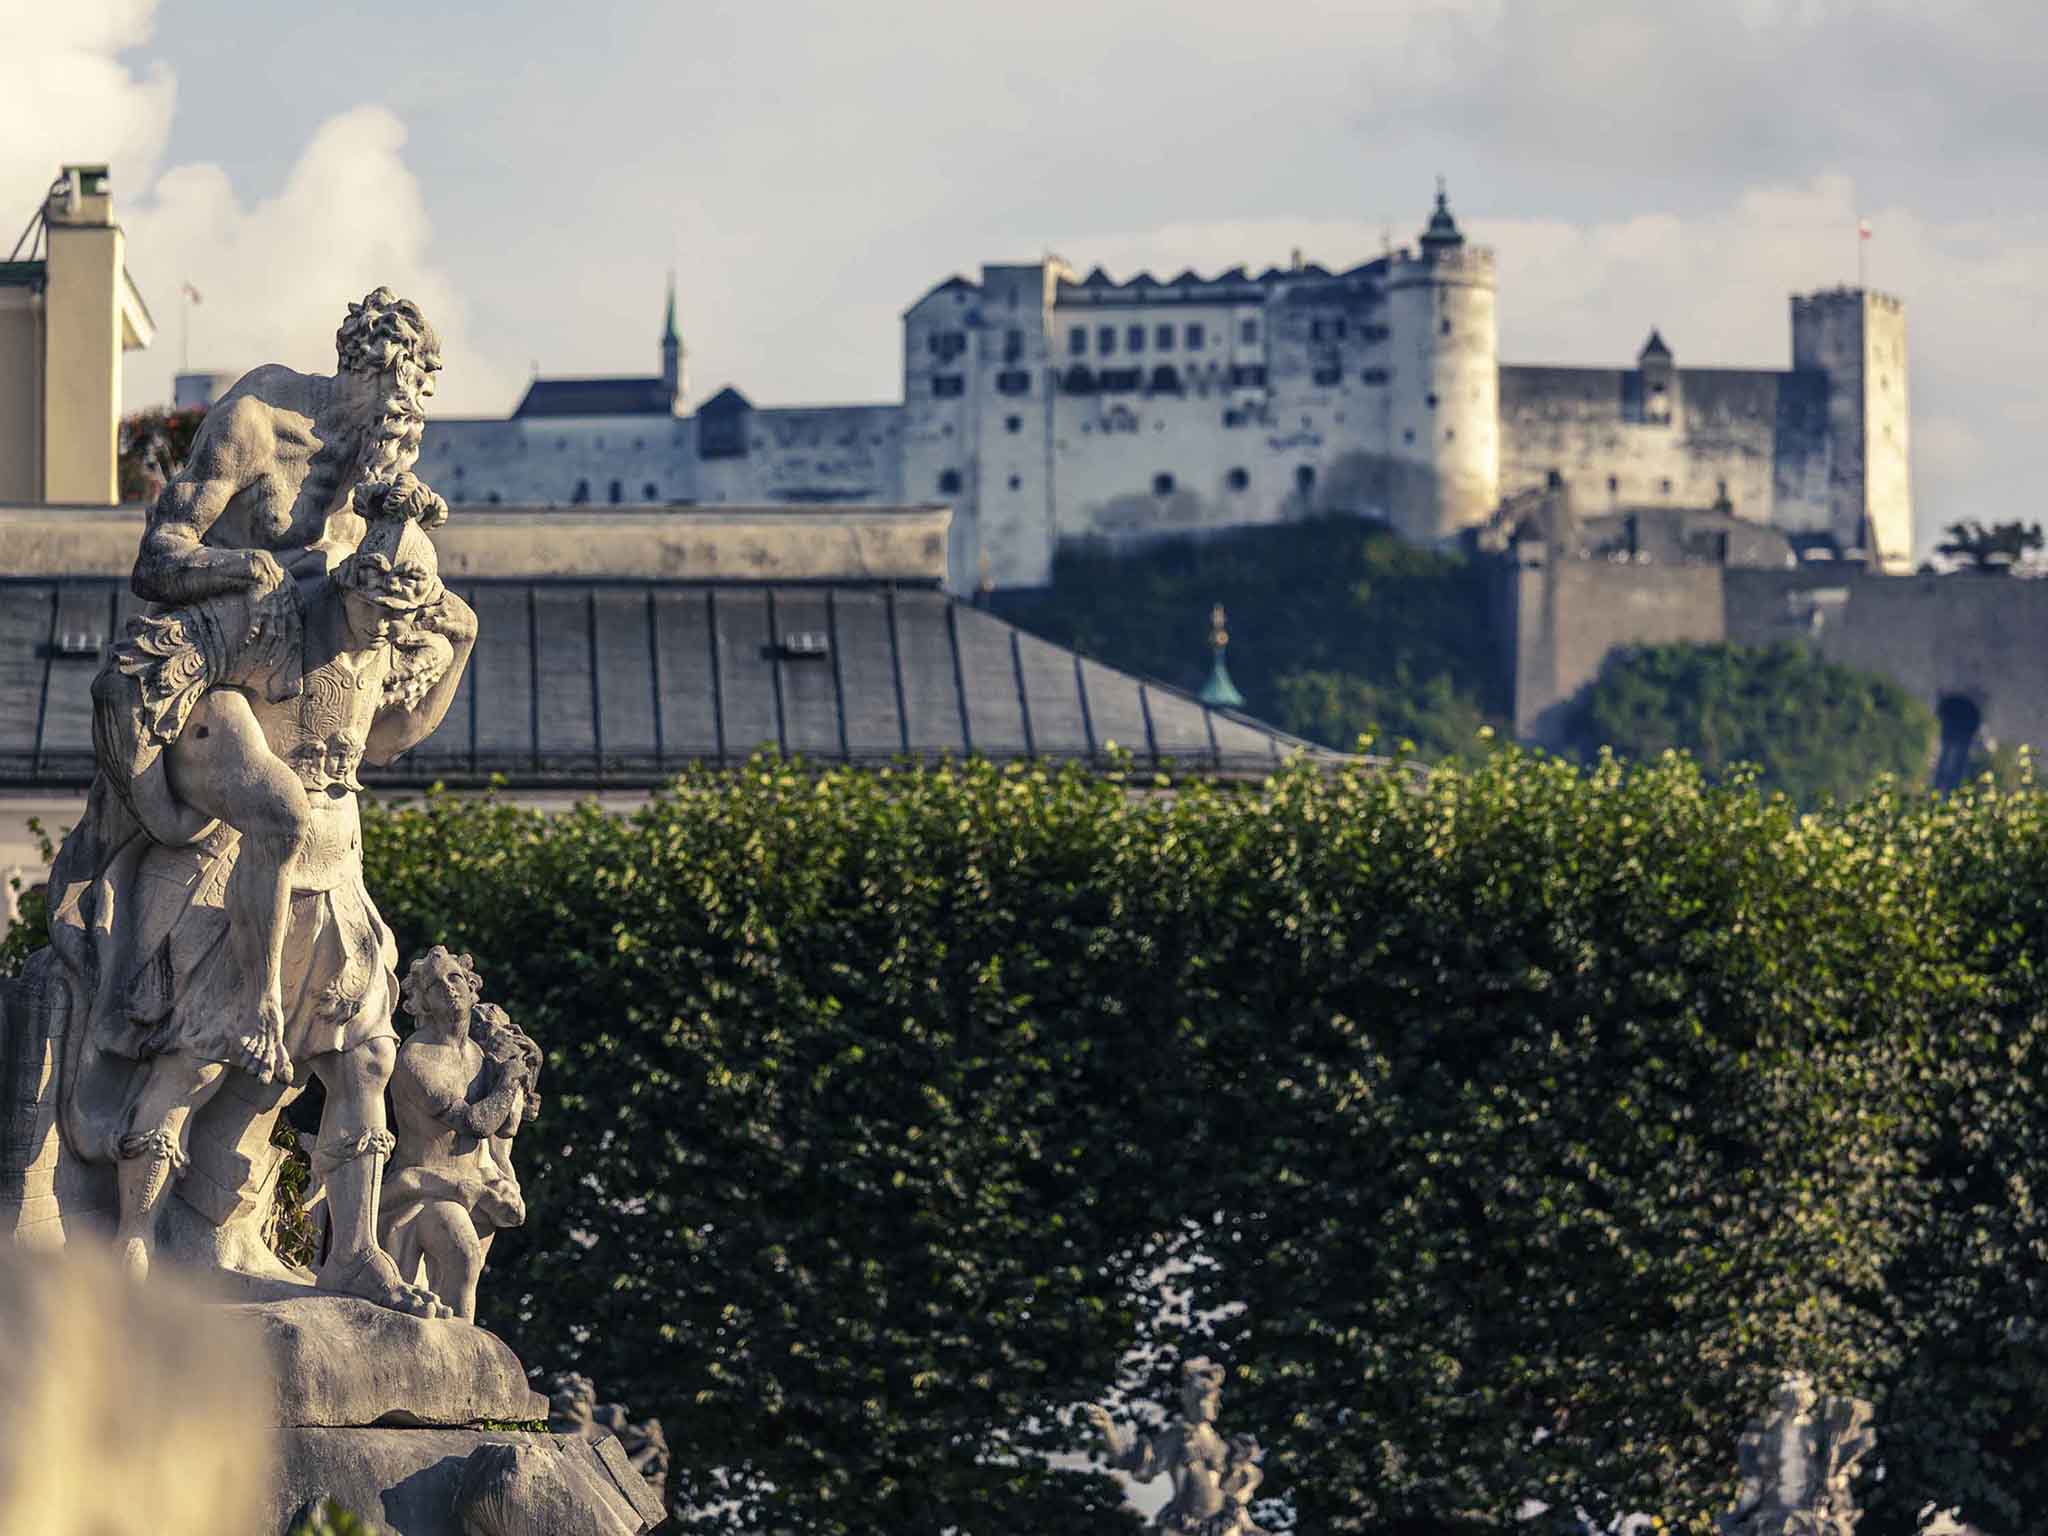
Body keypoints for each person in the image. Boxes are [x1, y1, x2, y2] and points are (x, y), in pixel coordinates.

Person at [60, 494, 475, 1314]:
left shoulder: (381, 644)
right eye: (375, 609)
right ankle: (136, 1242)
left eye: (401, 618)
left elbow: (385, 739)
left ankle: (354, 1254)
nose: (384, 630)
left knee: (366, 1060)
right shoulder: (273, 623)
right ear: (349, 585)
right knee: (195, 1060)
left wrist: (457, 649)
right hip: (238, 875)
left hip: (337, 871)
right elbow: (153, 694)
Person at [380, 950, 538, 1321]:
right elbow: (474, 1123)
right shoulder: (416, 1057)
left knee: (465, 1278)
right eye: (435, 986)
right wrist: (509, 1079)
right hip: (424, 1191)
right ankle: (460, 1347)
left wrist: (522, 1070)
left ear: (471, 988)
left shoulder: (479, 1056)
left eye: (454, 979)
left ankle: (458, 1346)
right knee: (462, 1255)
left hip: (478, 1193)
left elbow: (506, 1127)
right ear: (423, 1002)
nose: (448, 989)